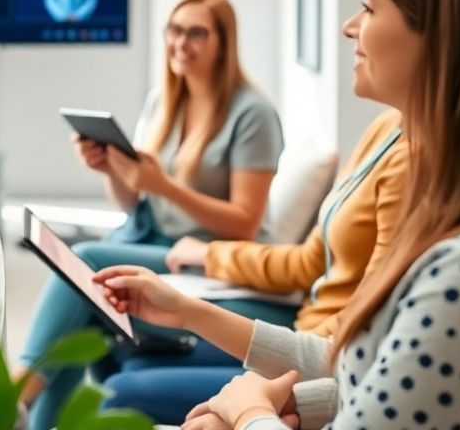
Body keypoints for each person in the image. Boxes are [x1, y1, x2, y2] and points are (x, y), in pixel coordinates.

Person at [94, 0, 460, 430]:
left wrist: (248, 415)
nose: (349, 27)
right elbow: (370, 372)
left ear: (448, 38)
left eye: (370, 8)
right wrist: (193, 316)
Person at [15, 0, 285, 430]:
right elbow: (136, 203)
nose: (181, 43)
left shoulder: (253, 114)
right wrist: (111, 171)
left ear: (223, 42)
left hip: (214, 258)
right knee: (86, 302)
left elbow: (245, 222)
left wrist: (165, 186)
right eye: (175, 31)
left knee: (91, 260)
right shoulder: (164, 100)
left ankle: (19, 388)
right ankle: (31, 414)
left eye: (197, 33)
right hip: (156, 238)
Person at [94, 107, 408, 423]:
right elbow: (310, 260)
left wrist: (254, 409)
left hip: (313, 347)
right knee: (126, 354)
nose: (356, 53)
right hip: (310, 342)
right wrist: (189, 300)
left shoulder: (412, 165)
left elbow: (359, 345)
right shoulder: (386, 127)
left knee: (119, 389)